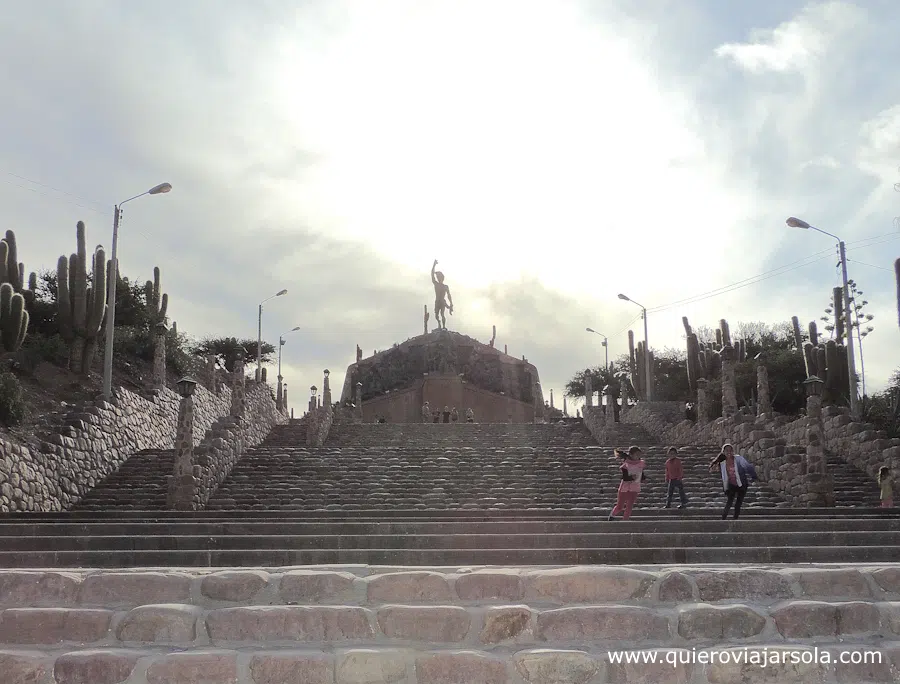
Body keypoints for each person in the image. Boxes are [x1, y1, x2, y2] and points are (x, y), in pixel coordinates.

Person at [709, 443, 757, 520]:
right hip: (731, 485)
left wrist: (753, 476)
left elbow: (748, 466)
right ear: (723, 452)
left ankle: (735, 519)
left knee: (738, 503)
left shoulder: (738, 459)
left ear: (733, 451)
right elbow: (720, 472)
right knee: (729, 502)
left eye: (730, 450)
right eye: (726, 451)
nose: (729, 452)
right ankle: (723, 518)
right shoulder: (722, 463)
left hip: (742, 484)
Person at [608, 446, 646, 521]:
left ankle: (625, 520)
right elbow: (624, 477)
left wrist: (643, 478)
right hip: (624, 488)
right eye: (636, 454)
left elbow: (641, 473)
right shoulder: (625, 465)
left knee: (630, 505)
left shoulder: (641, 463)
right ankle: (612, 515)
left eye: (639, 455)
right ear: (631, 455)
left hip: (635, 487)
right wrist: (632, 477)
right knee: (620, 506)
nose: (638, 456)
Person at [431, 259, 454, 330]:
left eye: (439, 277)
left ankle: (443, 326)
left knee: (442, 314)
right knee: (436, 315)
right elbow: (432, 274)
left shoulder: (445, 286)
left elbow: (449, 295)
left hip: (442, 301)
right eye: (438, 277)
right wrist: (434, 265)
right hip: (437, 301)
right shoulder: (436, 284)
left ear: (442, 278)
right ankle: (439, 324)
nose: (438, 278)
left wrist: (451, 303)